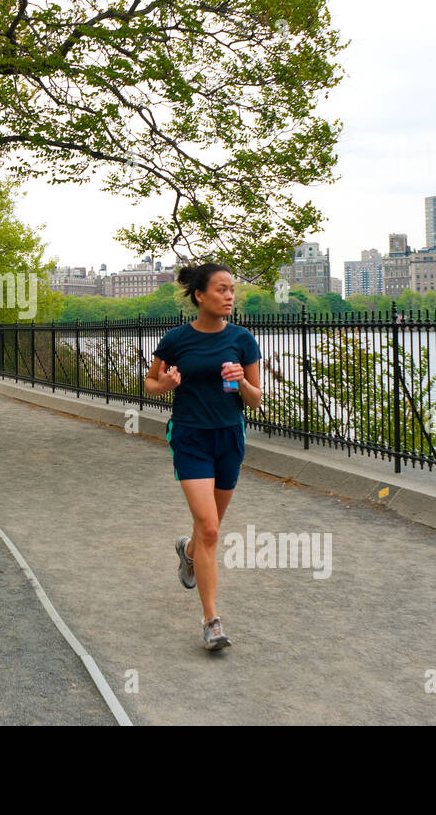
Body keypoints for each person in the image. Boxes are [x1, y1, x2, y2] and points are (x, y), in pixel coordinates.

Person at [145, 262, 262, 652]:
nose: (229, 296)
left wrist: (242, 381)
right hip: (190, 437)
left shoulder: (243, 340)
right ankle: (212, 621)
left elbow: (257, 399)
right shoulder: (176, 340)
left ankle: (188, 552)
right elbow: (149, 384)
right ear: (200, 295)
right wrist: (165, 384)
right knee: (210, 528)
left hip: (229, 437)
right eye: (221, 289)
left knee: (206, 531)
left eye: (233, 290)